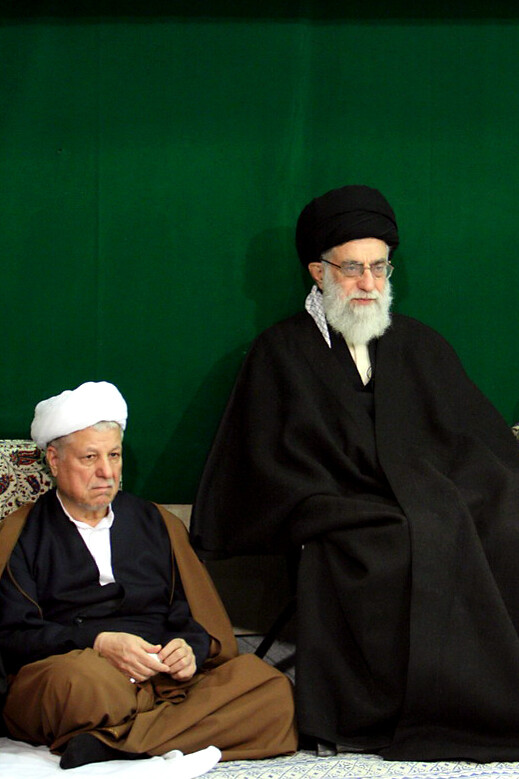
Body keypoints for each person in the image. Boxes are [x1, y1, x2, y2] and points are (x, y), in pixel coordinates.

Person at [190, 185, 519, 762]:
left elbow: (472, 438)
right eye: (352, 268)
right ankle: (390, 711)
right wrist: (336, 500)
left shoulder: (419, 343)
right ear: (319, 272)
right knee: (387, 540)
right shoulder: (279, 352)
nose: (369, 282)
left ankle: (493, 700)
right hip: (344, 507)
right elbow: (267, 462)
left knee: (504, 516)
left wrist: (462, 488)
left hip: (429, 495)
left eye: (379, 267)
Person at [0, 381, 297, 769]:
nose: (106, 472)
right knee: (81, 685)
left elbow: (189, 615)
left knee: (272, 689)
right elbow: (14, 636)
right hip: (81, 671)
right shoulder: (22, 533)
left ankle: (111, 742)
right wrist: (99, 643)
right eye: (90, 458)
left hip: (161, 679)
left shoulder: (155, 522)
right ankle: (167, 732)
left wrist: (187, 650)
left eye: (114, 455)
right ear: (54, 461)